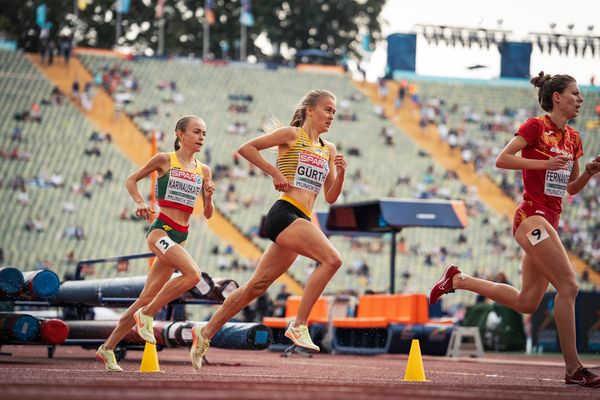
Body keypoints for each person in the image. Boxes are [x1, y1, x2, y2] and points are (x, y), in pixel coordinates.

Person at [429, 72, 600, 388]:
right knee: (569, 286)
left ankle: (458, 280)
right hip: (530, 218)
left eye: (580, 95)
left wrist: (588, 171)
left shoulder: (574, 138)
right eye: (575, 93)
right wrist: (542, 165)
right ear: (557, 97)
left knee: (526, 303)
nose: (580, 99)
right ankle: (574, 368)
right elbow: (502, 159)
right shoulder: (536, 127)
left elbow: (571, 188)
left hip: (550, 221)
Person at [188, 89, 347, 369]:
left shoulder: (328, 149)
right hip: (284, 213)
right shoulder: (291, 135)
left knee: (255, 288)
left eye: (334, 112)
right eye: (327, 110)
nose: (331, 116)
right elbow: (247, 148)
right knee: (332, 259)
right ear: (310, 110)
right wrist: (274, 172)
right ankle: (299, 324)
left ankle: (205, 333)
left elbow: (331, 196)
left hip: (302, 218)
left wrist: (341, 174)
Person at [95, 116, 215, 372]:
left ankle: (107, 348)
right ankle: (147, 315)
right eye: (196, 132)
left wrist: (208, 196)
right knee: (193, 275)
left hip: (181, 235)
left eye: (204, 133)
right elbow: (131, 180)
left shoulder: (204, 170)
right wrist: (140, 201)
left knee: (144, 298)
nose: (202, 137)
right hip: (160, 230)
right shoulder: (164, 159)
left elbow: (207, 214)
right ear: (180, 134)